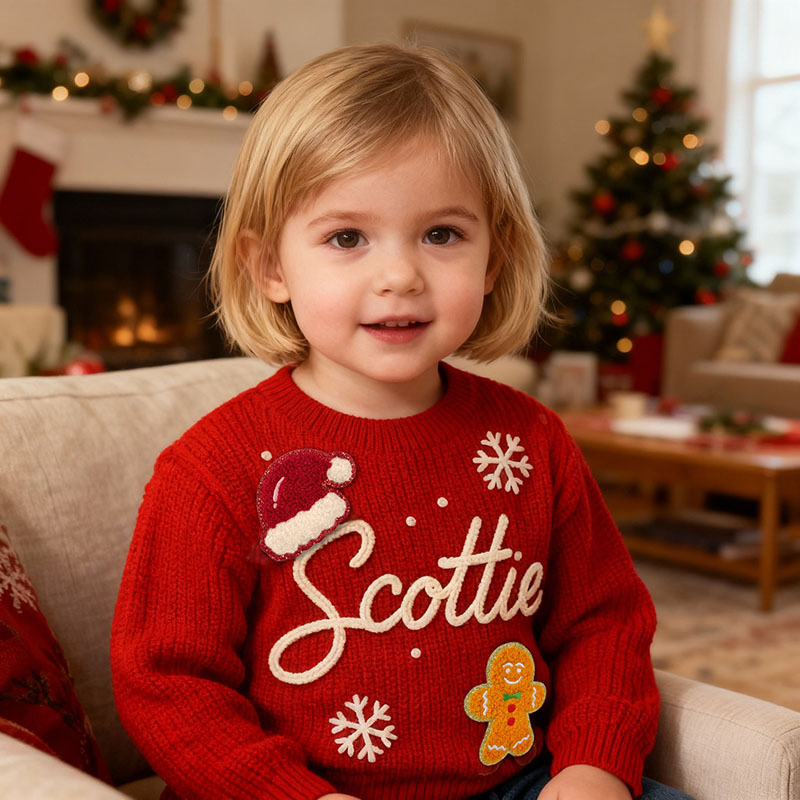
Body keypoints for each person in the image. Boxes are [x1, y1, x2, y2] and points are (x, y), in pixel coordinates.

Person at [111, 43, 693, 800]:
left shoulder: (529, 442)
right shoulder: (214, 466)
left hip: (517, 782)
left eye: (441, 235)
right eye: (347, 238)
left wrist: (592, 770)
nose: (400, 276)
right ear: (271, 268)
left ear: (494, 258)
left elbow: (603, 625)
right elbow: (169, 688)